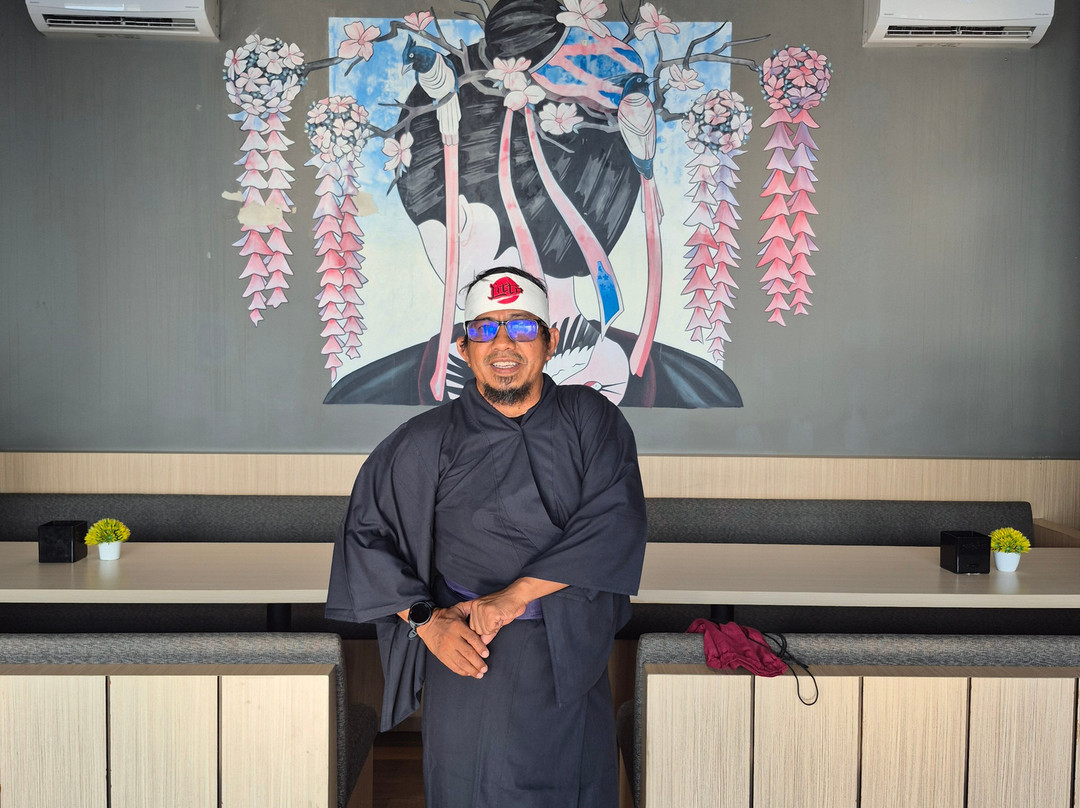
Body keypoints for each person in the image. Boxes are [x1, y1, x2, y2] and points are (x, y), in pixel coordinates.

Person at [326, 266, 647, 807]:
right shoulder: (426, 439)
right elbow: (364, 537)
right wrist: (427, 623)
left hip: (572, 647)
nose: (503, 344)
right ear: (463, 347)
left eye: (521, 327)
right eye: (485, 329)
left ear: (549, 341)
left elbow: (615, 521)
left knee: (577, 788)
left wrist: (513, 597)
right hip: (471, 650)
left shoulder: (592, 420)